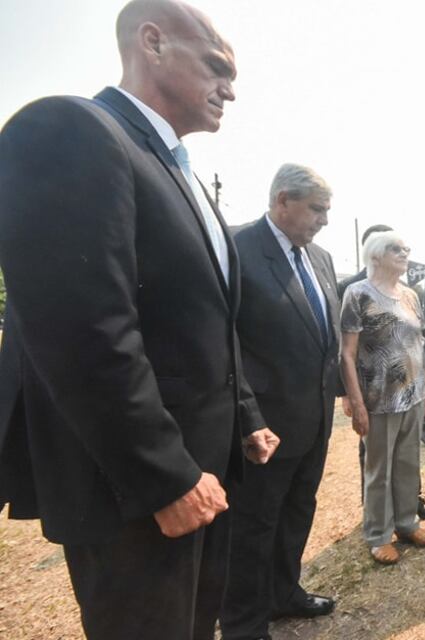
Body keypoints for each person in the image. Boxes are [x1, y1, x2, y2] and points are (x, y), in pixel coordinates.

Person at [0, 2, 277, 638]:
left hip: (200, 474)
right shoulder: (72, 131)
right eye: (216, 66)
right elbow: (85, 331)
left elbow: (199, 320)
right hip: (135, 492)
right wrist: (165, 479)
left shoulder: (174, 167)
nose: (230, 90)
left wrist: (244, 419)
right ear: (152, 43)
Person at [220, 164, 339, 639]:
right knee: (252, 529)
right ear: (282, 200)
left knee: (297, 513)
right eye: (317, 209)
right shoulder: (237, 249)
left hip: (313, 421)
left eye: (328, 211)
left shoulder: (322, 258)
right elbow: (224, 342)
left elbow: (323, 341)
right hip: (263, 426)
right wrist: (248, 415)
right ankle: (244, 624)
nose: (324, 220)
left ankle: (284, 592)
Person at [340, 230, 425, 563]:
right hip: (378, 398)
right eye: (396, 248)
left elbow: (417, 345)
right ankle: (379, 535)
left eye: (406, 248)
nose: (404, 253)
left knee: (409, 464)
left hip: (410, 395)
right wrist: (356, 401)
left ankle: (407, 523)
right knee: (378, 468)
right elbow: (346, 354)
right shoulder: (357, 293)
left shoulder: (410, 295)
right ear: (375, 255)